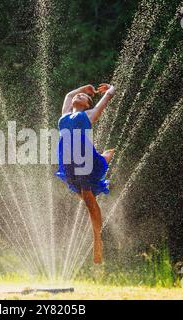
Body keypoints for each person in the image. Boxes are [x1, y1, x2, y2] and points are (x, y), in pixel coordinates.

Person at [55, 83, 115, 264]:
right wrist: (85, 88)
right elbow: (68, 95)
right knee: (86, 197)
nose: (78, 96)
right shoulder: (65, 115)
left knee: (89, 200)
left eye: (83, 97)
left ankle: (97, 239)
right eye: (78, 96)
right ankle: (105, 157)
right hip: (68, 162)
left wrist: (110, 90)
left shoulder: (88, 115)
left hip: (83, 161)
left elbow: (105, 101)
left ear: (88, 105)